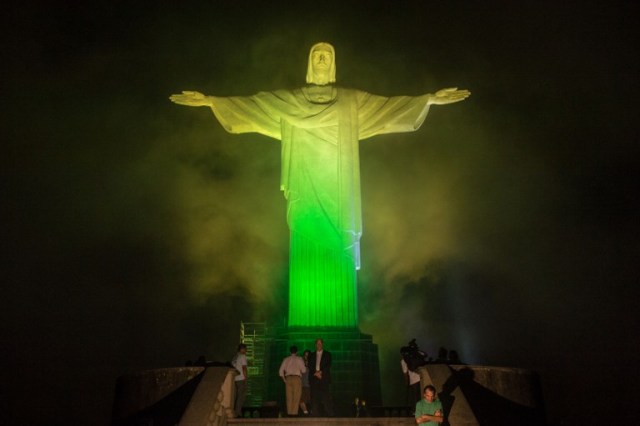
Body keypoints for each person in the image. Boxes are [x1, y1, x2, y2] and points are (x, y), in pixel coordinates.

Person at [170, 43, 470, 330]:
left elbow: (389, 108)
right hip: (305, 189)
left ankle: (339, 318)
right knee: (305, 242)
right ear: (310, 64)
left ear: (334, 64)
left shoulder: (352, 101)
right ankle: (305, 318)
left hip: (339, 193)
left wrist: (428, 99)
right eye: (318, 55)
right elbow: (253, 107)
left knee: (337, 245)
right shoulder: (290, 101)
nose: (323, 59)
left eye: (328, 55)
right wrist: (211, 101)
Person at [278, 345, 307, 416]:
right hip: (296, 378)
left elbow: (280, 371)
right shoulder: (299, 359)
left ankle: (289, 414)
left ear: (290, 351)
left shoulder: (286, 359)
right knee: (296, 397)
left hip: (288, 378)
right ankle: (294, 415)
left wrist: (284, 380)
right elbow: (304, 370)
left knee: (289, 398)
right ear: (297, 352)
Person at [308, 338, 333, 416]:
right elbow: (310, 365)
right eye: (317, 343)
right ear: (315, 345)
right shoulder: (311, 355)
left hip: (324, 377)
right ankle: (315, 413)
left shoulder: (327, 354)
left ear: (322, 344)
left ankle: (329, 413)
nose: (319, 345)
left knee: (326, 396)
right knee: (314, 396)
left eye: (320, 343)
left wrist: (320, 372)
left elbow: (327, 365)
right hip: (314, 378)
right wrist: (316, 373)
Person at [231, 343, 248, 417]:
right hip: (241, 378)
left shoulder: (235, 357)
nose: (246, 351)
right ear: (242, 349)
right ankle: (238, 412)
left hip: (234, 379)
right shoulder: (242, 356)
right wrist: (245, 377)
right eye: (245, 349)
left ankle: (234, 410)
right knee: (241, 396)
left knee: (235, 396)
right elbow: (244, 368)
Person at [299, 349, 311, 415]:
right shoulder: (301, 363)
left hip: (310, 385)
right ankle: (305, 411)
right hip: (302, 385)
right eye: (305, 355)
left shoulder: (312, 364)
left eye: (308, 355)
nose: (306, 357)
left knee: (311, 400)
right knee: (301, 400)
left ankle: (312, 412)